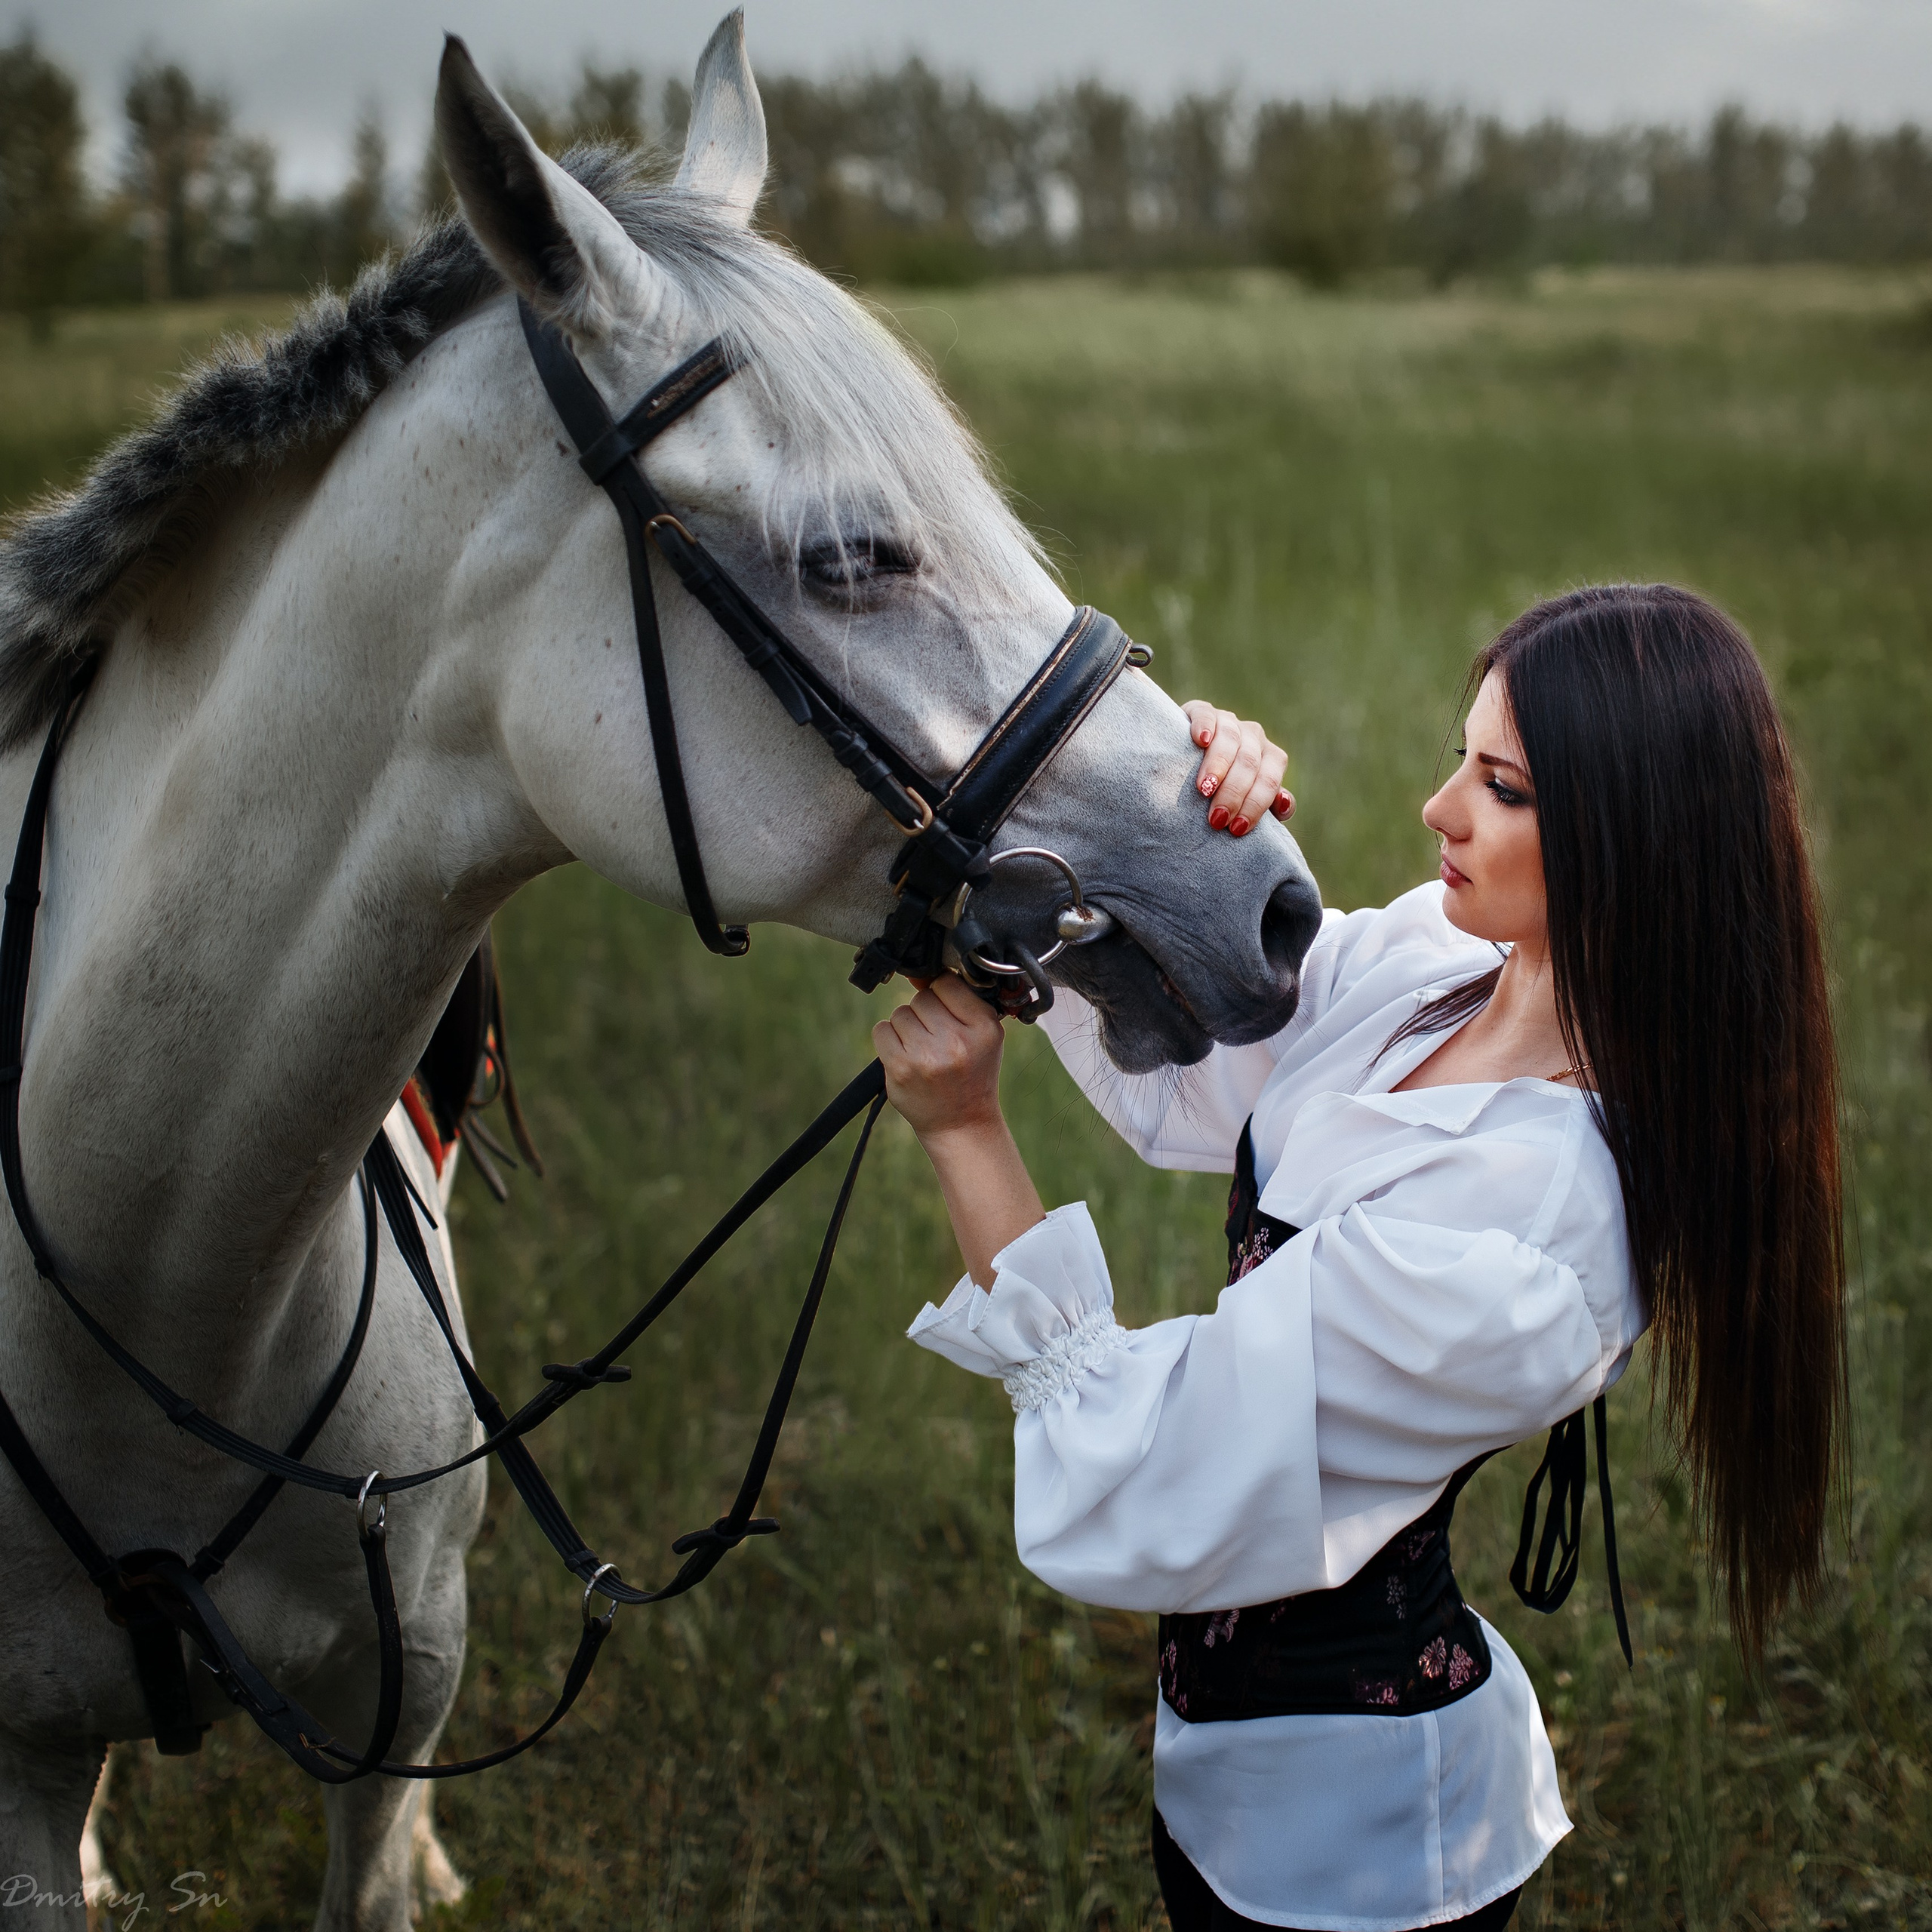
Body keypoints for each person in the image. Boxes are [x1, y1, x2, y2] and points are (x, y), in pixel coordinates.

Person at [876, 584, 1845, 1931]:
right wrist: (1165, 812)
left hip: (1364, 1838)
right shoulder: (1438, 966)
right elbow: (1210, 1073)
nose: (1438, 811)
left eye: (1500, 787)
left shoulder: (1529, 1229)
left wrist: (968, 1134)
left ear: (1637, 839)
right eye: (1464, 761)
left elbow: (1145, 1463)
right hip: (1220, 1775)